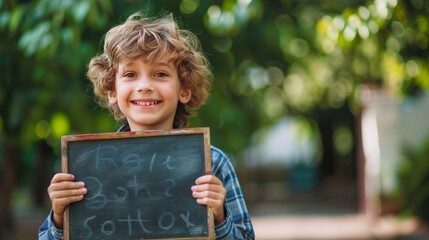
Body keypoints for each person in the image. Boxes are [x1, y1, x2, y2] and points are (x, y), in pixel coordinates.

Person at [38, 11, 255, 239]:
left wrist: (219, 216)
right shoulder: (86, 165)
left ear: (184, 90)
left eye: (160, 74)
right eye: (130, 74)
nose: (144, 86)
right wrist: (59, 219)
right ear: (112, 91)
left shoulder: (213, 163)